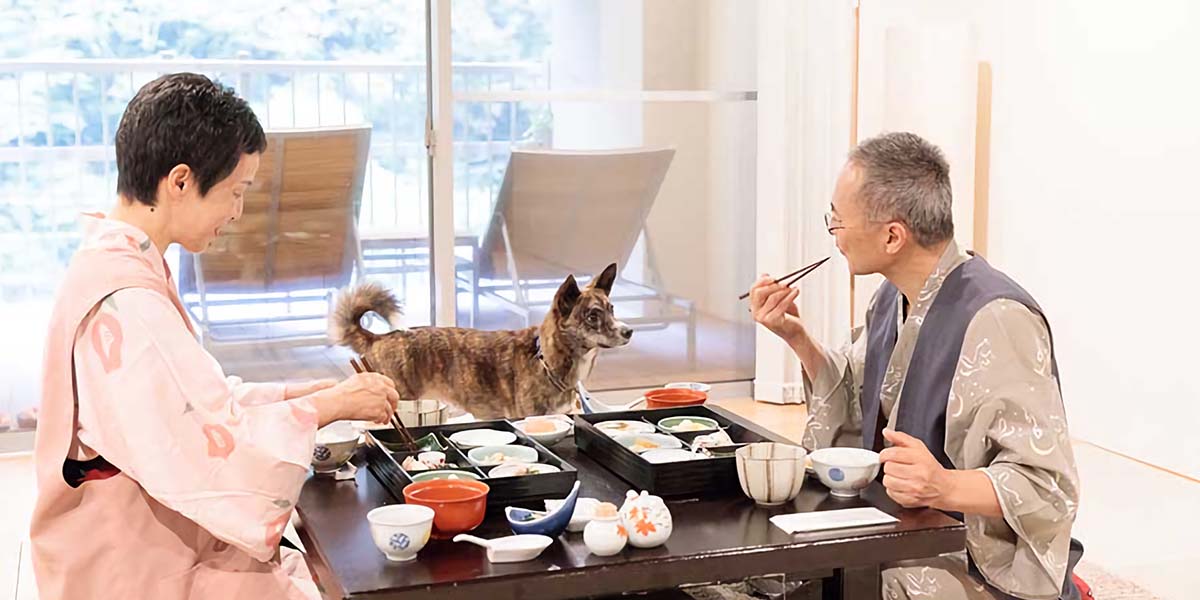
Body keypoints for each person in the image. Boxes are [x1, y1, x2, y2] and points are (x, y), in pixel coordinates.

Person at [30, 72, 400, 599]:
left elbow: (200, 405)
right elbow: (205, 449)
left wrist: (315, 394)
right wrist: (329, 407)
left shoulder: (117, 262)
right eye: (236, 191)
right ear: (179, 181)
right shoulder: (126, 300)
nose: (237, 211)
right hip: (136, 567)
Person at [750, 132, 1083, 600]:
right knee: (787, 571)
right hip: (904, 526)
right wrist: (797, 337)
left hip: (971, 557)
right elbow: (856, 396)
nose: (834, 232)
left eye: (837, 220)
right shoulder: (891, 297)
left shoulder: (997, 318)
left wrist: (943, 485)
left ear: (892, 235)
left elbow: (1046, 485)